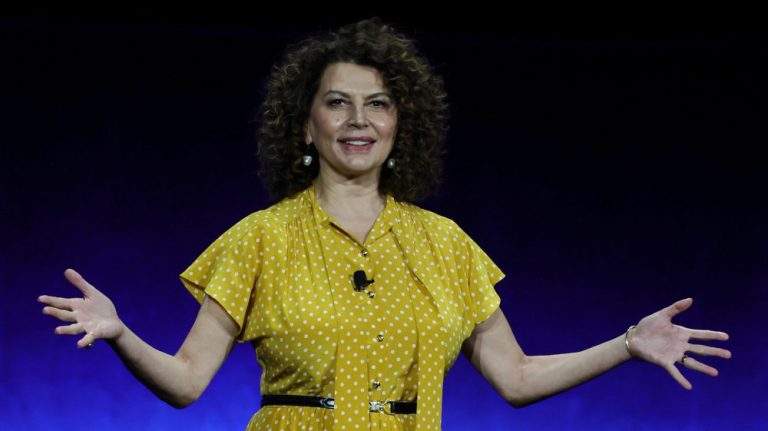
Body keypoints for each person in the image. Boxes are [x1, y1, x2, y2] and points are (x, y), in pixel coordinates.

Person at [38, 18, 731, 431]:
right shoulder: (259, 237)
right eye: (337, 103)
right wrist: (122, 333)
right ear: (306, 124)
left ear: (402, 127)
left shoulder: (447, 244)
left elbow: (516, 377)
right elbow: (187, 382)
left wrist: (627, 344)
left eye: (378, 104)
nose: (358, 119)